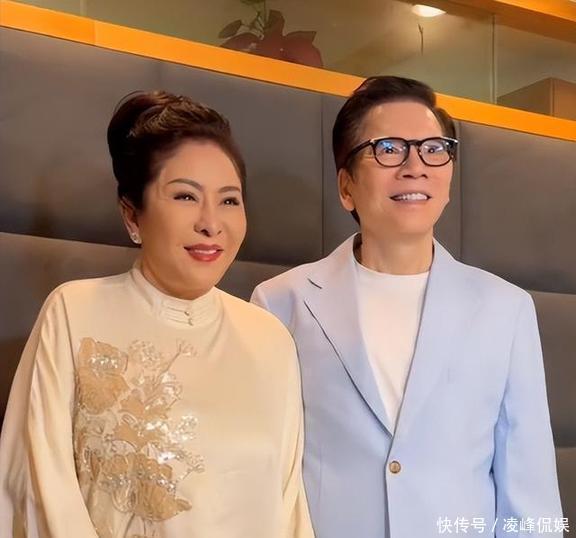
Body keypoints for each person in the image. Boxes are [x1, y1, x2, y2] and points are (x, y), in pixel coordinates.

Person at [251, 76, 563, 537]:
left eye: (434, 149)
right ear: (346, 185)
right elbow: (262, 476)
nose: (415, 166)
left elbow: (530, 496)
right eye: (389, 149)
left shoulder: (506, 309)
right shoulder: (281, 301)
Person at [0, 91, 314, 538]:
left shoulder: (269, 338)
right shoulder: (74, 313)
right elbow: (40, 490)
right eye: (186, 196)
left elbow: (288, 508)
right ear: (132, 215)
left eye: (229, 200)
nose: (211, 223)